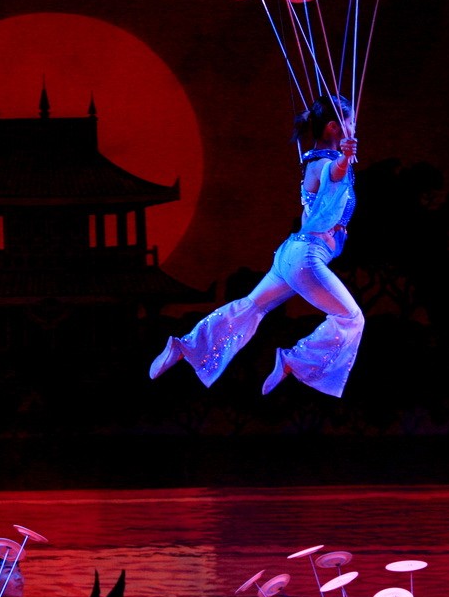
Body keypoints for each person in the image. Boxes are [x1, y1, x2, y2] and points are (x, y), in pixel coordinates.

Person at [149, 92, 363, 397]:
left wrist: (343, 159)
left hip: (291, 255)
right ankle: (294, 361)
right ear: (333, 126)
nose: (354, 128)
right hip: (306, 258)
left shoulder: (315, 160)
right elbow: (334, 173)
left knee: (252, 307)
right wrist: (344, 158)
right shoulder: (323, 164)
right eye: (350, 122)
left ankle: (186, 346)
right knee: (351, 318)